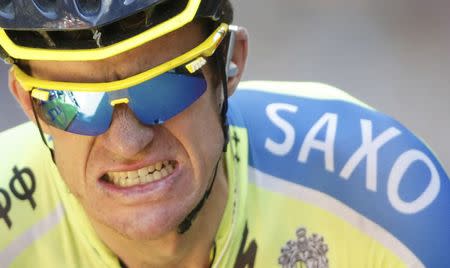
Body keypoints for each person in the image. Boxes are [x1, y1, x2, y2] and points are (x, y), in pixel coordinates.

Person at [0, 0, 448, 267]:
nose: (127, 142)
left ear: (231, 63)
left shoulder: (386, 199)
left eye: (164, 85)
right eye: (73, 103)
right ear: (28, 103)